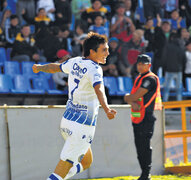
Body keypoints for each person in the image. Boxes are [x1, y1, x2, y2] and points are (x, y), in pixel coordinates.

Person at [32, 32, 117, 180]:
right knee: (62, 168)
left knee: (87, 161)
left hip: (67, 122)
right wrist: (107, 108)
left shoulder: (75, 61)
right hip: (82, 126)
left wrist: (40, 67)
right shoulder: (95, 69)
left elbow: (55, 67)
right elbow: (99, 89)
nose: (108, 53)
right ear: (92, 51)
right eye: (104, 49)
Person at [124, 54, 162, 180]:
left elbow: (134, 96)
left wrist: (127, 98)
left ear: (149, 65)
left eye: (143, 64)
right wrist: (130, 100)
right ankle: (144, 174)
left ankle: (146, 174)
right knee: (139, 147)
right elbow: (133, 98)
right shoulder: (140, 77)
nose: (140, 66)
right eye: (139, 64)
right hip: (137, 118)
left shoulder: (150, 79)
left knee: (144, 147)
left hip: (146, 118)